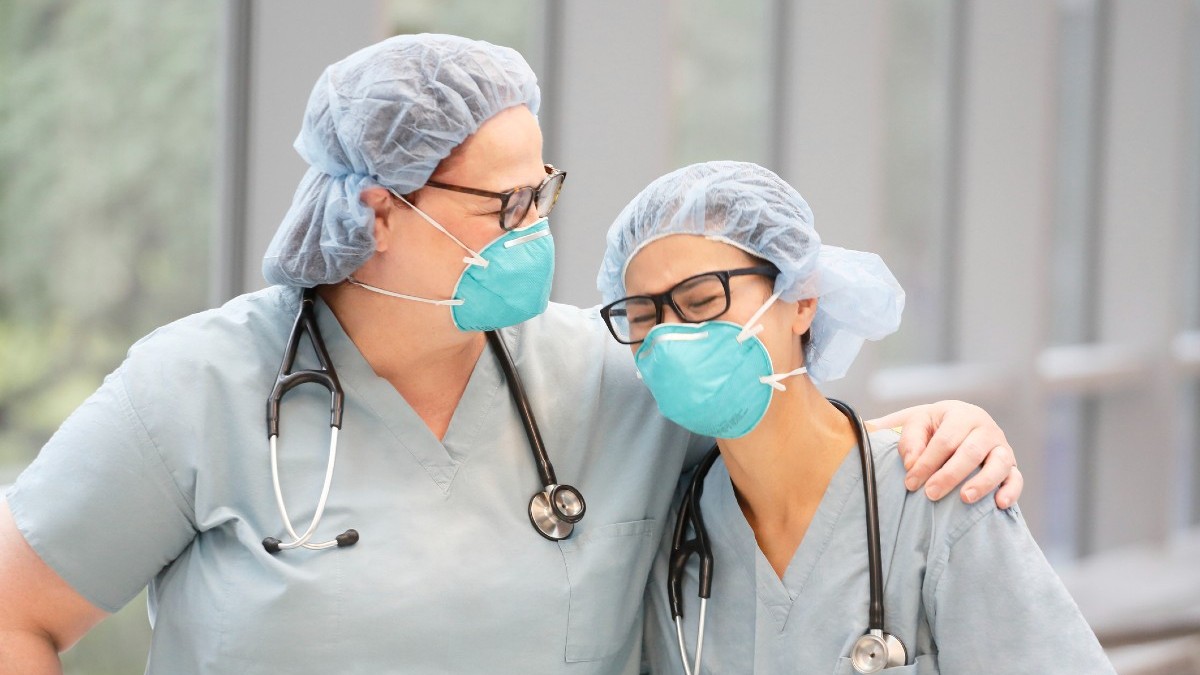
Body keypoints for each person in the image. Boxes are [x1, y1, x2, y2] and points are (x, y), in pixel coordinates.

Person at [0, 36, 1020, 674]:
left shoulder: (611, 378)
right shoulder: (196, 386)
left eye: (543, 192)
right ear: (378, 207)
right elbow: (16, 619)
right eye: (505, 206)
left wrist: (938, 433)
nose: (537, 228)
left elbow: (794, 463)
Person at [595, 161, 1111, 674]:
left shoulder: (938, 495)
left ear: (801, 300)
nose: (670, 337)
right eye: (643, 317)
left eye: (701, 301)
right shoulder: (673, 542)